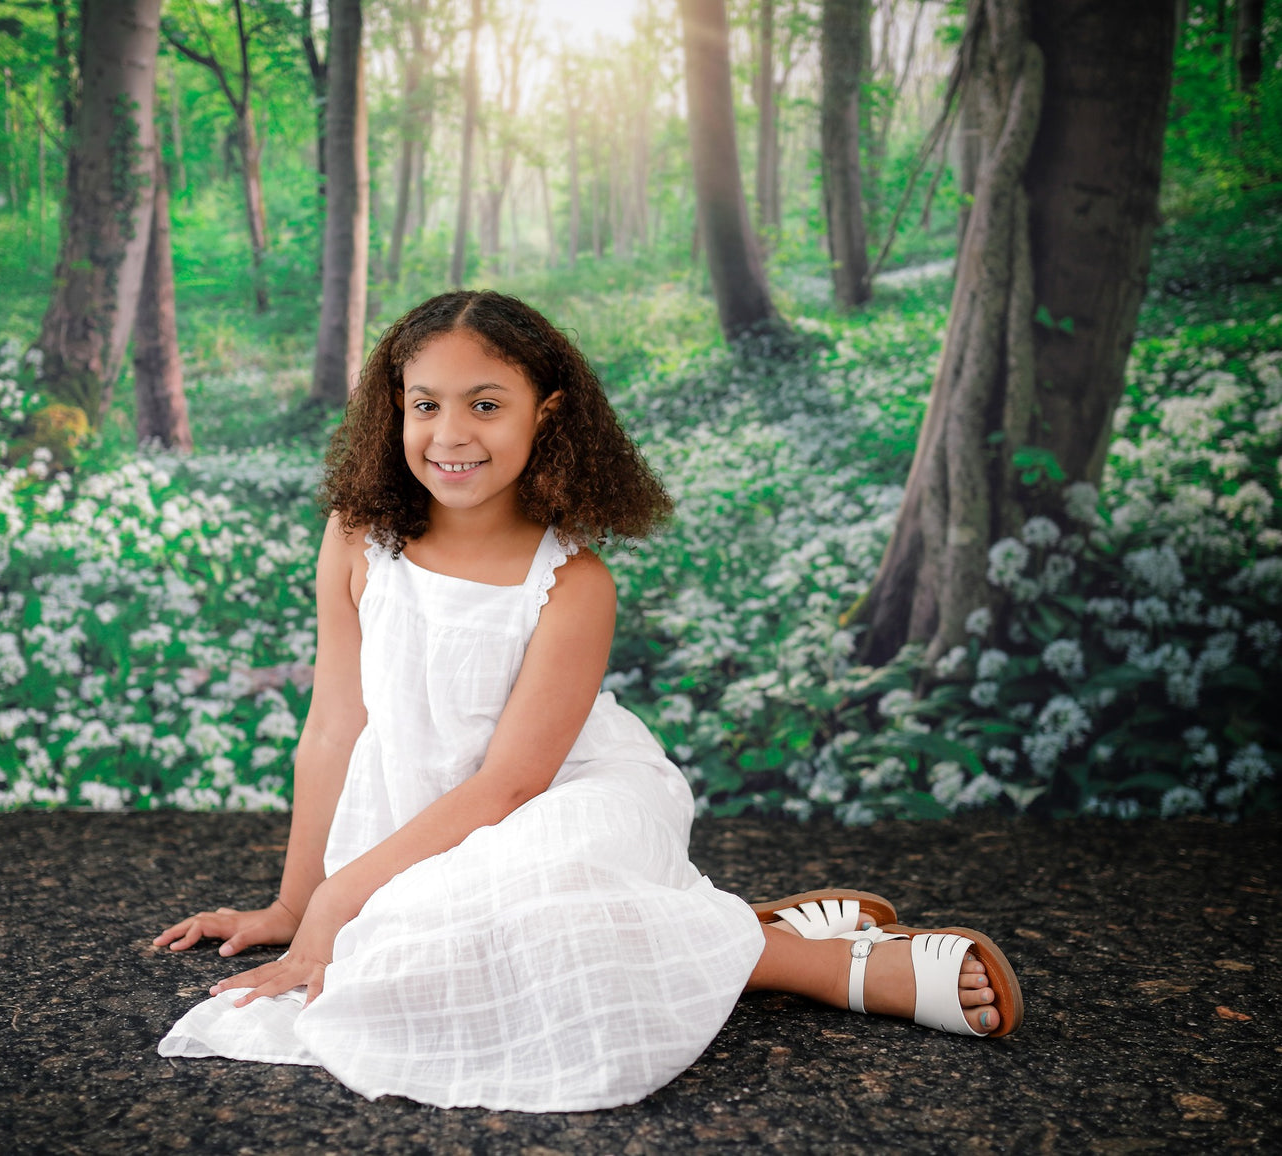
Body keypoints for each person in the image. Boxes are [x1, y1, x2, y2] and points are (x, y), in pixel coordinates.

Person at [153, 290, 1022, 1112]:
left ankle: (826, 968)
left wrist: (344, 901)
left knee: (532, 922)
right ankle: (717, 928)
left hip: (563, 799)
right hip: (422, 820)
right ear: (396, 408)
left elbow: (509, 789)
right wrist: (299, 903)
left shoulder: (571, 581)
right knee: (421, 959)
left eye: (485, 405)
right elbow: (333, 726)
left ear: (549, 414)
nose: (450, 433)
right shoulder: (357, 534)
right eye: (425, 404)